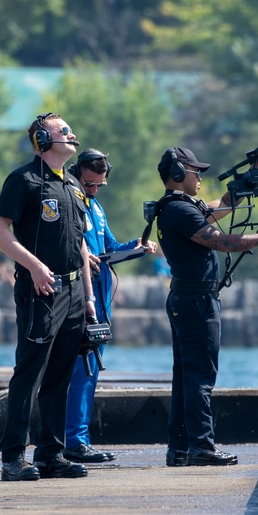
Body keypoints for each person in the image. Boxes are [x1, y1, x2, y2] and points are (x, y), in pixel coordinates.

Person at [154, 147, 258, 467]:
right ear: (176, 174)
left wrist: (245, 182)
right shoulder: (179, 210)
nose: (200, 176)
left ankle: (182, 447)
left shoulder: (180, 207)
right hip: (196, 302)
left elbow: (218, 208)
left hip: (190, 299)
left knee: (186, 375)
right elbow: (219, 240)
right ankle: (201, 445)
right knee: (200, 375)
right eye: (194, 171)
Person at [0, 113, 96, 482]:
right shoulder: (23, 180)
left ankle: (51, 453)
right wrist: (33, 266)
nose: (73, 134)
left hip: (74, 290)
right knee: (29, 373)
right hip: (41, 290)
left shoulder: (74, 186)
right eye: (65, 130)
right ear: (43, 141)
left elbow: (80, 244)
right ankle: (13, 458)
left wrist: (89, 297)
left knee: (61, 375)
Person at [62, 148, 158, 463]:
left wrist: (137, 247)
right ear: (76, 173)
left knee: (90, 372)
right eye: (88, 183)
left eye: (99, 185)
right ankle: (73, 441)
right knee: (81, 369)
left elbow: (111, 248)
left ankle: (80, 439)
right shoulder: (70, 202)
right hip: (79, 297)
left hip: (101, 298)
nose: (93, 190)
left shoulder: (97, 207)